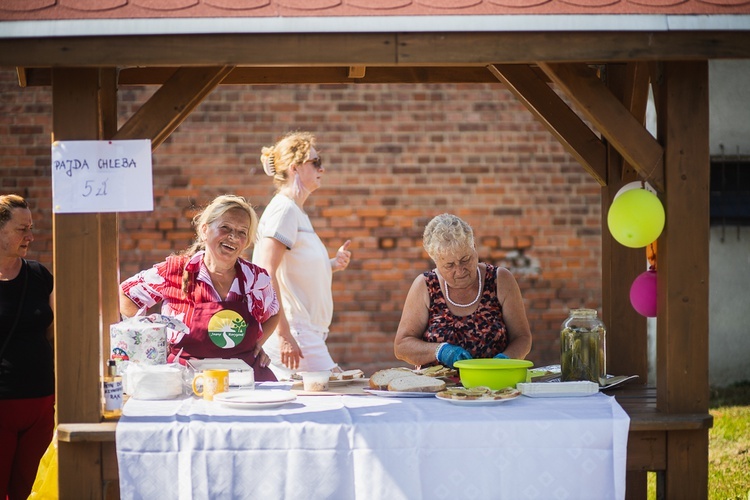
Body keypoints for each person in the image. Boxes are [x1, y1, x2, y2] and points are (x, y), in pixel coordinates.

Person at [119, 194, 280, 381]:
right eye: (225, 227)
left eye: (242, 232)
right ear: (204, 230)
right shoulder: (176, 272)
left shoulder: (256, 279)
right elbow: (126, 293)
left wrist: (258, 344)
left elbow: (274, 312)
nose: (233, 237)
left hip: (245, 381)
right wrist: (148, 340)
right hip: (187, 382)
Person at [253, 131, 352, 380]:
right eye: (316, 162)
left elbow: (294, 268)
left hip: (305, 329)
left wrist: (331, 264)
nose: (323, 168)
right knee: (342, 389)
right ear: (295, 168)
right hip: (295, 330)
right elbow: (265, 271)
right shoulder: (284, 209)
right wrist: (284, 335)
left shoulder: (295, 211)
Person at [394, 213, 532, 368]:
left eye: (465, 259)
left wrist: (505, 360)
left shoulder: (500, 280)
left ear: (474, 248)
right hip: (440, 388)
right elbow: (402, 347)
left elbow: (522, 338)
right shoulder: (425, 286)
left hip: (494, 386)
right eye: (450, 265)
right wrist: (440, 351)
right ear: (436, 262)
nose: (460, 271)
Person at [0, 194, 55, 500]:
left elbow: (52, 333)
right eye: (22, 229)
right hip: (2, 404)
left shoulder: (39, 275)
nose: (30, 236)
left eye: (31, 228)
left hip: (40, 404)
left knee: (30, 489)